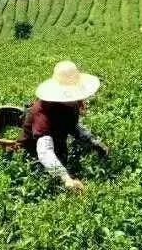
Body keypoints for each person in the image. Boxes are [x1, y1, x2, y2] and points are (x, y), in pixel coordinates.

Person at [20, 60, 109, 192]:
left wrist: (94, 142)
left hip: (58, 134)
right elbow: (45, 152)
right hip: (37, 146)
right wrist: (66, 179)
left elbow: (73, 126)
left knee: (67, 150)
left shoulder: (71, 103)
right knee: (57, 163)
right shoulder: (42, 112)